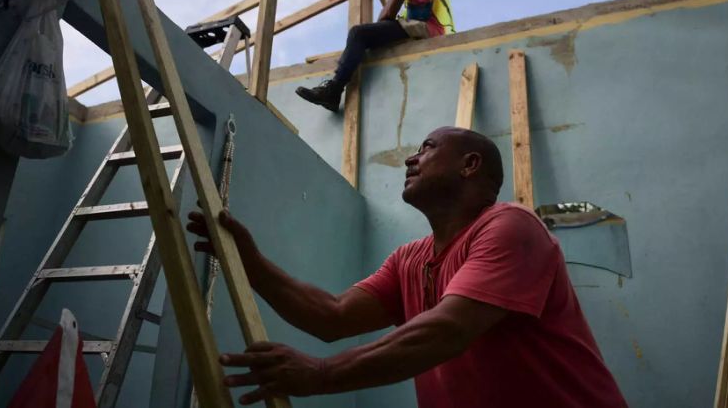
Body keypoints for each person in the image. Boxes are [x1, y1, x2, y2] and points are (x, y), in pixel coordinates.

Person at [187, 127, 627, 407]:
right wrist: (251, 263)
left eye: (427, 148)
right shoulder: (408, 260)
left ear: (469, 165)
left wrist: (321, 374)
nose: (410, 159)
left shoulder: (511, 226)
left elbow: (448, 329)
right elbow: (333, 316)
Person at [294, 0, 455, 112]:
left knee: (358, 34)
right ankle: (337, 84)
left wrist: (372, 35)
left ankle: (333, 90)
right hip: (432, 28)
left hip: (429, 28)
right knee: (365, 41)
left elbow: (388, 13)